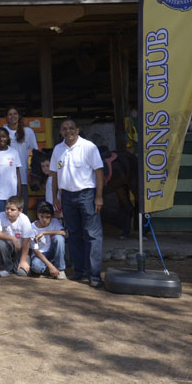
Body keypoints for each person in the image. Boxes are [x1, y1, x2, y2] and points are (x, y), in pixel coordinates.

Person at [50, 118, 105, 286]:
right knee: (73, 234)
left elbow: (99, 172)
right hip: (66, 196)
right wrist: (55, 197)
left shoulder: (89, 147)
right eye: (64, 129)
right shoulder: (58, 149)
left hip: (87, 195)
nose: (68, 131)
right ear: (61, 132)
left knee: (92, 235)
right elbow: (54, 175)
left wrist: (99, 196)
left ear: (77, 130)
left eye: (71, 128)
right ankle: (80, 271)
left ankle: (94, 276)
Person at [0, 196, 34, 278]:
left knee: (22, 273)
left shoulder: (24, 219)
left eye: (12, 209)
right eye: (7, 208)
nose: (8, 211)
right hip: (9, 247)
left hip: (21, 249)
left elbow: (26, 243)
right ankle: (6, 268)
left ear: (20, 211)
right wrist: (13, 238)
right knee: (0, 243)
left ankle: (14, 265)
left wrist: (22, 261)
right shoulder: (0, 216)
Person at [4, 107, 39, 208]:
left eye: (15, 114)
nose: (13, 116)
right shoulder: (3, 131)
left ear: (19, 116)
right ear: (6, 117)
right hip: (5, 178)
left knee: (22, 207)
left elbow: (35, 152)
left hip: (22, 175)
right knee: (8, 208)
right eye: (10, 114)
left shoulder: (28, 131)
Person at [0, 126, 24, 216]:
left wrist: (19, 190)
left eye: (4, 136)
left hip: (12, 191)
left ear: (8, 137)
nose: (1, 139)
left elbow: (17, 173)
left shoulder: (14, 152)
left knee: (12, 215)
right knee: (1, 215)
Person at [28, 201, 67, 279]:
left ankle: (60, 269)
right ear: (38, 215)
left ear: (52, 217)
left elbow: (64, 233)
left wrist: (44, 232)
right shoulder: (32, 227)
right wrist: (50, 266)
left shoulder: (54, 222)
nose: (44, 219)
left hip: (52, 252)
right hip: (40, 255)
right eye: (42, 216)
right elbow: (35, 250)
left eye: (47, 217)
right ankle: (53, 268)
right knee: (36, 266)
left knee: (59, 238)